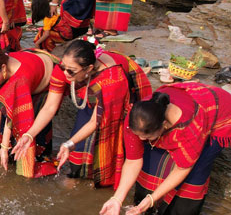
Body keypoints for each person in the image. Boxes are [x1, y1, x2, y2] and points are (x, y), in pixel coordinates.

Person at [98, 82, 231, 215]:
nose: (141, 140)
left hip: (217, 114)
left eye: (147, 137)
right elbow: (133, 161)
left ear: (164, 125)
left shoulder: (189, 127)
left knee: (194, 174)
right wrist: (117, 199)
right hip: (186, 98)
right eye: (139, 136)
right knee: (151, 169)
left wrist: (152, 198)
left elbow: (182, 169)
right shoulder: (137, 118)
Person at [14, 39, 152, 188]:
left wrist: (68, 143)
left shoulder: (111, 80)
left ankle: (105, 178)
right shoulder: (66, 69)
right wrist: (29, 135)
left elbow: (95, 122)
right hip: (92, 93)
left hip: (117, 93)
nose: (65, 73)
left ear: (88, 69)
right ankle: (77, 174)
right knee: (78, 144)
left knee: (109, 136)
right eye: (63, 67)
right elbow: (49, 107)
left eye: (71, 71)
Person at [0, 46, 59, 178]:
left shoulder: (20, 79)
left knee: (32, 132)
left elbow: (14, 114)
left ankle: (42, 160)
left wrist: (4, 147)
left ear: (3, 68)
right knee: (8, 135)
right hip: (24, 66)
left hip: (43, 83)